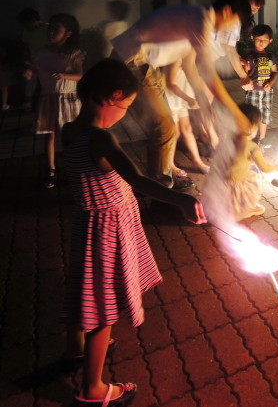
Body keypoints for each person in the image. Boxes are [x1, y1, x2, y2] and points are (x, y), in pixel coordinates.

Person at [61, 59, 205, 407]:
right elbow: (138, 180)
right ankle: (93, 389)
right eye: (125, 106)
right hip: (108, 231)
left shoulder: (70, 130)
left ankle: (75, 348)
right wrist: (182, 200)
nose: (125, 114)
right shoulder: (101, 138)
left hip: (90, 225)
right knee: (104, 309)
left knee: (86, 290)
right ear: (110, 97)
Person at [111, 0, 253, 190]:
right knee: (164, 125)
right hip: (132, 59)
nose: (230, 29)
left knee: (165, 126)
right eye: (234, 23)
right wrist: (236, 114)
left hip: (145, 64)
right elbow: (206, 70)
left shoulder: (200, 20)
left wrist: (203, 101)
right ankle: (160, 188)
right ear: (227, 11)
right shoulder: (202, 18)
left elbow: (190, 66)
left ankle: (161, 182)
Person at [27, 13, 84, 188]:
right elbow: (36, 71)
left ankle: (72, 169)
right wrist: (29, 73)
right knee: (49, 135)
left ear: (68, 33)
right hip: (48, 98)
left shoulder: (74, 54)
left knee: (70, 137)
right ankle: (51, 171)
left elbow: (80, 75)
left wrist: (64, 75)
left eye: (56, 29)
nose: (51, 32)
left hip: (68, 99)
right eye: (50, 28)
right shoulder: (41, 54)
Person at [223, 103, 278, 220]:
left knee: (251, 168)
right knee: (256, 174)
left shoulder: (229, 139)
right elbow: (265, 168)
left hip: (223, 180)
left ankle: (229, 206)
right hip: (237, 183)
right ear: (251, 127)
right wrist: (274, 167)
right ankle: (247, 208)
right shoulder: (252, 147)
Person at [163, 58, 211, 175]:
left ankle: (197, 161)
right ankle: (170, 165)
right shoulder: (177, 58)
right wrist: (188, 99)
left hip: (179, 101)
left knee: (187, 129)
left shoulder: (188, 58)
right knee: (175, 133)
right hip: (170, 100)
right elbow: (171, 84)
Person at [213, 0, 265, 89]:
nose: (255, 9)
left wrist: (238, 58)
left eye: (258, 7)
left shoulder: (236, 18)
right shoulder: (234, 18)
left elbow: (228, 46)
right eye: (253, 4)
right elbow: (229, 48)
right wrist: (243, 76)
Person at [243, 24, 278, 148]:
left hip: (267, 92)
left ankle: (262, 138)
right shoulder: (250, 56)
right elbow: (244, 73)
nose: (261, 42)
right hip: (253, 91)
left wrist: (271, 83)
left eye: (264, 40)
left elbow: (274, 72)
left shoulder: (270, 57)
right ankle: (250, 138)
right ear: (253, 38)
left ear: (270, 41)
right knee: (252, 115)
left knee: (265, 115)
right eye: (259, 39)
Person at [16, 8, 48, 109]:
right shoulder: (26, 30)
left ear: (33, 20)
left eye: (25, 23)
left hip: (47, 59)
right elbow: (25, 45)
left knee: (46, 82)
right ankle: (27, 104)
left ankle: (46, 104)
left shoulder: (48, 28)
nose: (23, 26)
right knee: (30, 81)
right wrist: (26, 60)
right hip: (33, 59)